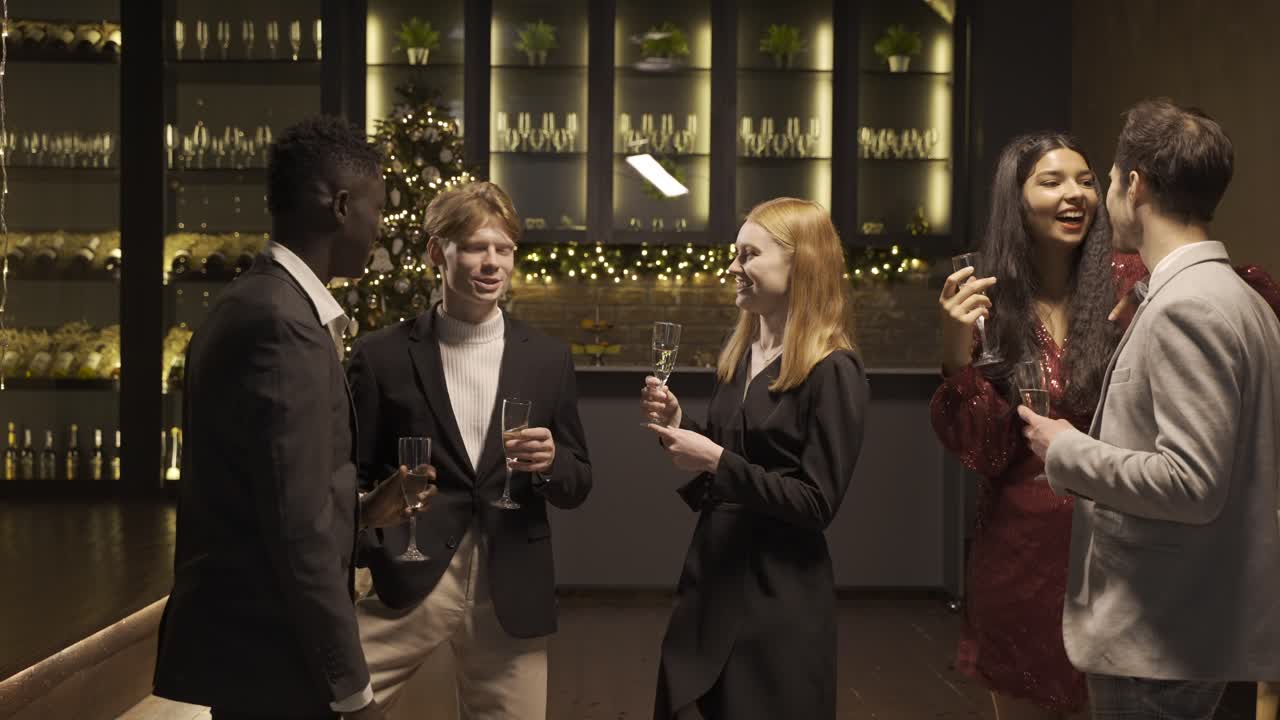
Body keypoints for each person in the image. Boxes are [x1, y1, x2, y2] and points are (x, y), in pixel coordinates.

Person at [153, 116, 434, 720]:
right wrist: (355, 692)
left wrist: (360, 512)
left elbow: (275, 494)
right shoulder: (282, 325)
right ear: (340, 206)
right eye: (376, 207)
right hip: (277, 662)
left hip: (262, 657)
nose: (379, 225)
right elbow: (296, 530)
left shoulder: (254, 301)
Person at [1020, 99, 1280, 719]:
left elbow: (1193, 483)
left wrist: (1066, 450)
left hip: (1162, 641)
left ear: (1132, 186)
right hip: (1196, 630)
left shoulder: (1187, 308)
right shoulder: (1237, 301)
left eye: (1105, 178)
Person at [346, 180, 592, 720]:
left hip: (511, 588)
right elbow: (349, 476)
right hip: (406, 582)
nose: (493, 263)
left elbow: (579, 482)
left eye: (504, 249)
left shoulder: (548, 359)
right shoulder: (379, 356)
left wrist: (552, 464)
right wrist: (371, 548)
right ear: (438, 251)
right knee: (331, 701)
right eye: (478, 247)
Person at [641, 197, 869, 720]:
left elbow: (817, 503)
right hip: (711, 577)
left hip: (777, 599)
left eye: (749, 255)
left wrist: (715, 458)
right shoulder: (740, 357)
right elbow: (730, 468)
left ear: (801, 264)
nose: (733, 268)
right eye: (735, 254)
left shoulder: (835, 369)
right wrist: (682, 429)